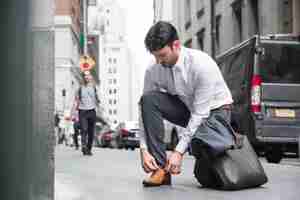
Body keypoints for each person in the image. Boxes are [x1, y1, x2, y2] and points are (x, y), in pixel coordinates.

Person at [139, 21, 235, 187]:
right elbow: (144, 108)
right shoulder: (153, 68)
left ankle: (224, 141)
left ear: (176, 45)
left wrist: (178, 152)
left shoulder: (201, 64)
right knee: (148, 99)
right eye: (155, 56)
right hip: (187, 108)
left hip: (215, 112)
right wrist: (143, 148)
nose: (158, 61)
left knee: (208, 177)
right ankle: (160, 170)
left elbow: (200, 114)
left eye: (162, 55)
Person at [75, 71, 99, 156]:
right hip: (82, 111)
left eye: (88, 75)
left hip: (92, 111)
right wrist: (73, 113)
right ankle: (84, 147)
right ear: (83, 78)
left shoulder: (94, 87)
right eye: (85, 76)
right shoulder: (80, 88)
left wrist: (98, 101)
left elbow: (98, 100)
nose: (87, 77)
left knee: (91, 132)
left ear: (91, 77)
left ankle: (89, 148)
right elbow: (77, 100)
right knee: (84, 129)